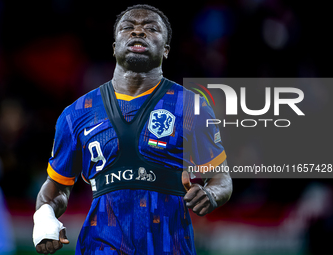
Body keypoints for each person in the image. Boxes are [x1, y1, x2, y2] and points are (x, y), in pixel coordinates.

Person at [32, 4, 232, 254]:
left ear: (166, 49)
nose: (138, 32)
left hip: (170, 247)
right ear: (114, 47)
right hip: (99, 247)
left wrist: (211, 193)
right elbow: (56, 187)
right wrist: (45, 218)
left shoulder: (192, 107)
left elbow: (221, 178)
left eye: (151, 28)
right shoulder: (75, 114)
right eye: (128, 27)